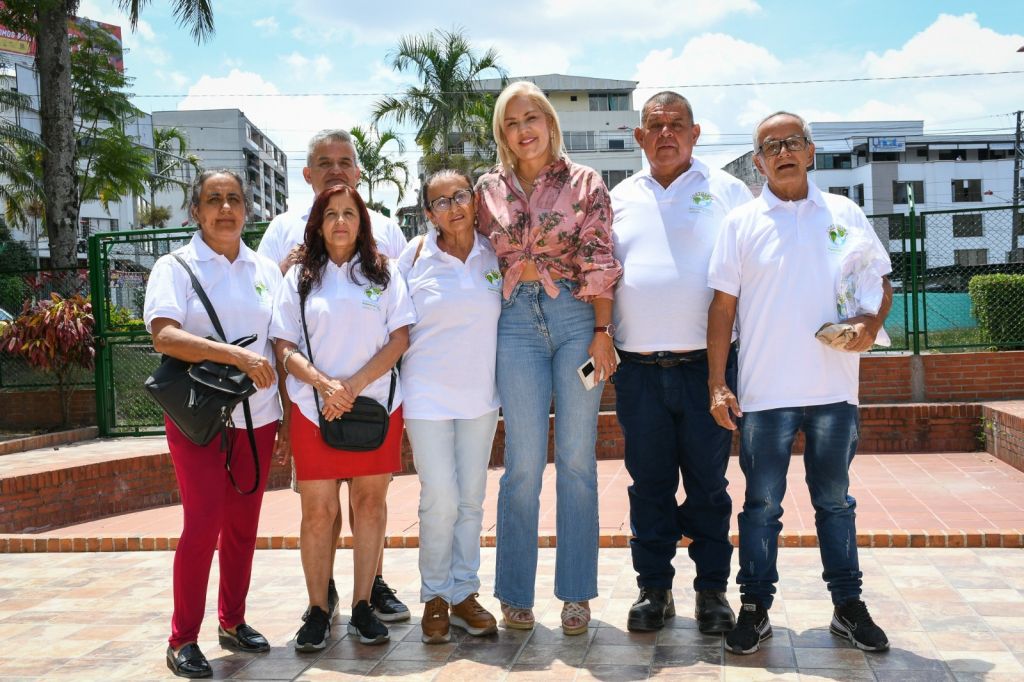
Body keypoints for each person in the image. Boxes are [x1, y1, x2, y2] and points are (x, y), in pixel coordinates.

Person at [706, 111, 893, 655]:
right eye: (770, 145)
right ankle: (756, 607)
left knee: (835, 502)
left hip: (835, 391)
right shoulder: (740, 224)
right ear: (758, 162)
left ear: (810, 151)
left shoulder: (845, 213)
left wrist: (871, 324)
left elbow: (879, 280)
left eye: (792, 142)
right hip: (766, 396)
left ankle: (847, 608)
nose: (782, 151)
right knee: (761, 505)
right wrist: (718, 383)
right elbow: (722, 310)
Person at [475, 80, 622, 635]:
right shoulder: (486, 187)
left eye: (531, 116)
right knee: (523, 466)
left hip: (577, 321)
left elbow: (601, 256)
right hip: (515, 322)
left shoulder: (585, 181)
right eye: (511, 122)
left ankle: (577, 595)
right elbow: (463, 246)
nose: (523, 129)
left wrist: (603, 330)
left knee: (579, 463)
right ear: (502, 132)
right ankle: (515, 593)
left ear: (550, 121)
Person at [610, 92, 752, 634]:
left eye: (677, 126)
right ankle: (654, 591)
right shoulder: (617, 196)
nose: (666, 134)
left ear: (695, 133)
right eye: (655, 126)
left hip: (707, 371)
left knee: (709, 486)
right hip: (638, 371)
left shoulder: (728, 191)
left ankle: (713, 592)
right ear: (639, 137)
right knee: (648, 486)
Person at [257, 128, 410, 624]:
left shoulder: (385, 263)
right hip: (310, 405)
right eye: (326, 163)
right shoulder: (293, 264)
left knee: (370, 505)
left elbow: (401, 335)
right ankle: (319, 607)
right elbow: (281, 339)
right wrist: (322, 389)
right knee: (318, 511)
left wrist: (353, 387)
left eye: (346, 162)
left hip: (376, 403)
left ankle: (367, 598)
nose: (337, 171)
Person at [144, 170, 283, 678]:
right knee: (202, 524)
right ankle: (182, 638)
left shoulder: (264, 267)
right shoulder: (175, 265)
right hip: (199, 416)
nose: (225, 208)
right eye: (213, 200)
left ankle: (233, 621)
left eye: (234, 199)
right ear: (196, 212)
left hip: (258, 415)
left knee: (243, 527)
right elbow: (164, 334)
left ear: (247, 208)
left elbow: (279, 342)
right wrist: (233, 356)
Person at [398, 169, 502, 644]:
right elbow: (391, 324)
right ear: (428, 214)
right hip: (426, 397)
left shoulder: (495, 251)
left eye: (461, 196)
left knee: (471, 501)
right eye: (441, 202)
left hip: (481, 397)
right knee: (438, 498)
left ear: (475, 199)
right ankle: (435, 595)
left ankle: (463, 594)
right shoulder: (413, 257)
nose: (454, 207)